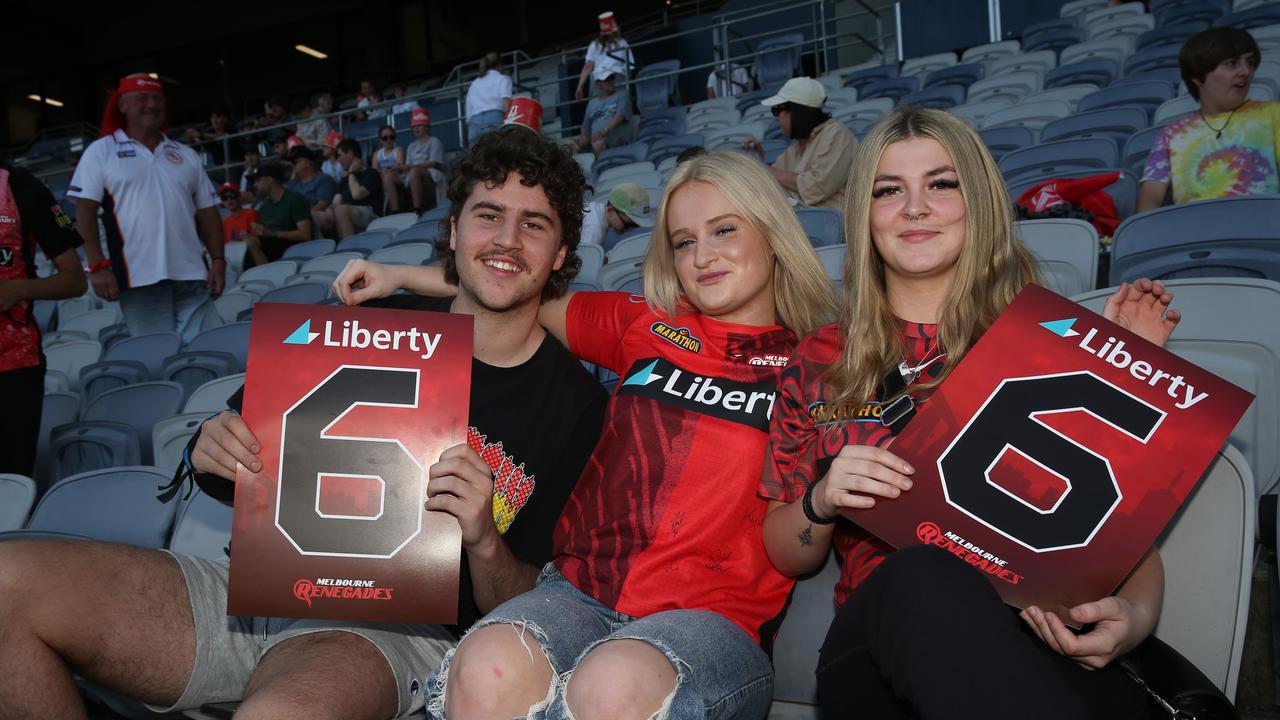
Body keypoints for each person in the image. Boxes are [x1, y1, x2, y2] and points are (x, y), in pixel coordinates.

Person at [0, 127, 606, 720]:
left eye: (533, 224)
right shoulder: (376, 318)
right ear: (453, 230)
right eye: (488, 214)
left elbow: (530, 608)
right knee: (7, 586)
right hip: (257, 591)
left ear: (559, 253)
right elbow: (227, 459)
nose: (505, 239)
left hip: (400, 627)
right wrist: (209, 449)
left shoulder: (577, 405)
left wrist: (483, 540)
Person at [332, 150, 838, 720]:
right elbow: (515, 288)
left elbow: (797, 549)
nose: (703, 256)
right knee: (486, 666)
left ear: (771, 233)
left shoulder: (818, 365)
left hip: (710, 622)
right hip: (578, 594)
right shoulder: (648, 324)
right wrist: (399, 275)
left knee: (612, 684)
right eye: (683, 241)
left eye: (724, 230)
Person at [759, 106, 1181, 720]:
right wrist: (823, 499)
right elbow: (786, 551)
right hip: (879, 646)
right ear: (863, 215)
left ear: (977, 200)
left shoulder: (1049, 342)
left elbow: (1119, 541)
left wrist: (1134, 620)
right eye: (888, 190)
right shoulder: (820, 358)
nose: (914, 207)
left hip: (1032, 640)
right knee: (921, 576)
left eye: (941, 183)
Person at [68, 73, 225, 344]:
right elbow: (84, 211)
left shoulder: (184, 154)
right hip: (137, 278)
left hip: (192, 275)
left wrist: (219, 260)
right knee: (160, 357)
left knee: (210, 349)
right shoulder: (100, 151)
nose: (151, 104)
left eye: (156, 98)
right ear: (122, 105)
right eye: (141, 98)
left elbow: (208, 211)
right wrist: (97, 266)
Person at [0, 161, 87, 477]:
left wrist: (19, 288)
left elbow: (76, 281)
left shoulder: (21, 186)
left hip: (14, 369)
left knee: (10, 484)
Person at [1137, 26, 1278, 213]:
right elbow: (1150, 198)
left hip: (1262, 230)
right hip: (1195, 235)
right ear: (1198, 77)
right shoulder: (1172, 134)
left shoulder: (1273, 114)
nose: (1246, 71)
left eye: (1250, 62)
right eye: (1232, 63)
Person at [742, 77, 859, 211]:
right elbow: (772, 181)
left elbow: (816, 187)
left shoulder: (837, 134)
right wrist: (759, 159)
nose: (776, 117)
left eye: (777, 110)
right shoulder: (798, 145)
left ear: (797, 112)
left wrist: (767, 171)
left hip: (836, 226)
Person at [245, 162, 312, 267]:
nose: (255, 185)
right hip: (273, 251)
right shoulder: (264, 207)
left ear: (270, 179)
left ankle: (268, 275)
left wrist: (273, 233)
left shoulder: (294, 199)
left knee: (250, 243)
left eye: (258, 180)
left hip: (295, 250)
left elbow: (305, 235)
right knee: (243, 246)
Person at [314, 138, 383, 240]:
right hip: (344, 212)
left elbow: (357, 194)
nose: (338, 160)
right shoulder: (344, 180)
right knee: (313, 216)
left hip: (369, 213)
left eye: (340, 155)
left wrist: (352, 173)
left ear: (350, 153)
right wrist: (329, 210)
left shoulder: (371, 173)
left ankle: (348, 249)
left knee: (341, 210)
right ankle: (323, 253)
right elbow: (336, 202)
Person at [576, 11, 635, 101]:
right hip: (618, 80)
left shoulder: (594, 44)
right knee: (618, 108)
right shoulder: (622, 42)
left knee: (598, 110)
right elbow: (629, 67)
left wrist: (580, 86)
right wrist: (628, 84)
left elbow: (588, 66)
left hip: (598, 81)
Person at [579, 181, 653, 247]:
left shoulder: (595, 208)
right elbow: (585, 260)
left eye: (636, 226)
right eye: (628, 225)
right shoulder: (594, 229)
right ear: (610, 212)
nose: (629, 230)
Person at [576, 68, 632, 155]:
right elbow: (586, 125)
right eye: (607, 79)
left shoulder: (622, 95)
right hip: (595, 140)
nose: (611, 81)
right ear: (598, 84)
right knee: (569, 145)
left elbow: (620, 117)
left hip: (614, 138)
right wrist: (584, 135)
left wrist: (603, 131)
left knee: (598, 143)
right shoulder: (592, 103)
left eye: (612, 78)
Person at [465, 52, 513, 146]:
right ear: (499, 66)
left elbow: (468, 113)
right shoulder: (503, 79)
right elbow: (505, 102)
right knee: (498, 156)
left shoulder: (474, 83)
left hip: (474, 124)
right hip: (494, 120)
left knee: (477, 159)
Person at [405, 108, 447, 213]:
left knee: (414, 172)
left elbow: (433, 163)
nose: (416, 129)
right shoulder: (411, 146)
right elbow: (407, 165)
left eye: (419, 125)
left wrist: (411, 167)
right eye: (414, 127)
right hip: (413, 174)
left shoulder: (434, 141)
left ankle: (417, 209)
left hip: (431, 175)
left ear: (427, 127)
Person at [286, 145, 338, 219]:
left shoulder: (324, 180)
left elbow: (322, 205)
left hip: (313, 221)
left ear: (307, 162)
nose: (293, 166)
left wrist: (300, 219)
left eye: (295, 162)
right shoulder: (292, 183)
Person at [373, 126, 409, 213]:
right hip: (383, 177)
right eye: (385, 138)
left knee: (388, 177)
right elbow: (374, 171)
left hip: (398, 177)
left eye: (391, 137)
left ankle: (395, 209)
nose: (388, 140)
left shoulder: (398, 150)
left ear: (395, 138)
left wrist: (386, 171)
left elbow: (399, 167)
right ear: (381, 140)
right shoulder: (377, 153)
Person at [219, 182, 259, 247]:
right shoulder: (226, 222)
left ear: (239, 197)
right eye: (225, 198)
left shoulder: (251, 213)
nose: (229, 200)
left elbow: (256, 240)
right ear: (222, 202)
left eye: (232, 196)